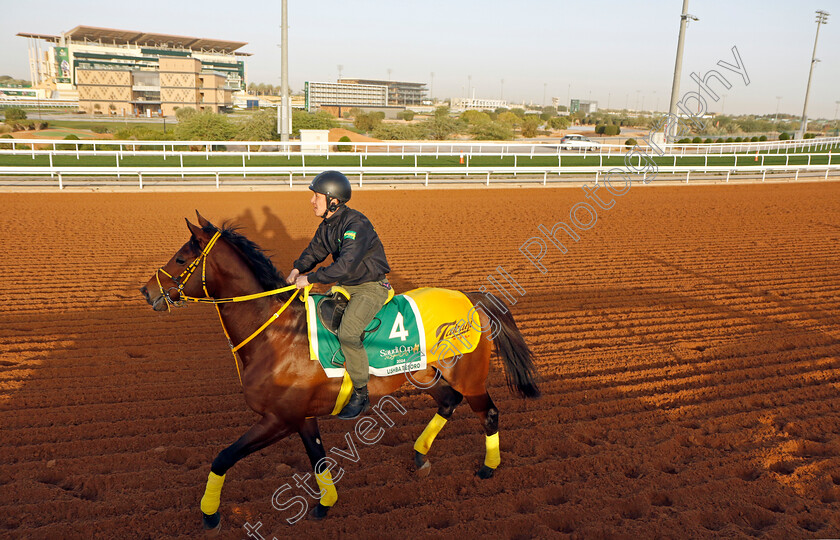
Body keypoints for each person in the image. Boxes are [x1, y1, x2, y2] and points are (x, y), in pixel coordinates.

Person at [287, 170, 391, 419]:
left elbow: (345, 266)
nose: (312, 201)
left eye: (317, 196)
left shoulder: (357, 224)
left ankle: (361, 393)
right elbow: (315, 251)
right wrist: (297, 268)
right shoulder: (328, 225)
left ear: (333, 200)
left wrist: (309, 278)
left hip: (370, 288)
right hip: (346, 287)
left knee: (348, 333)